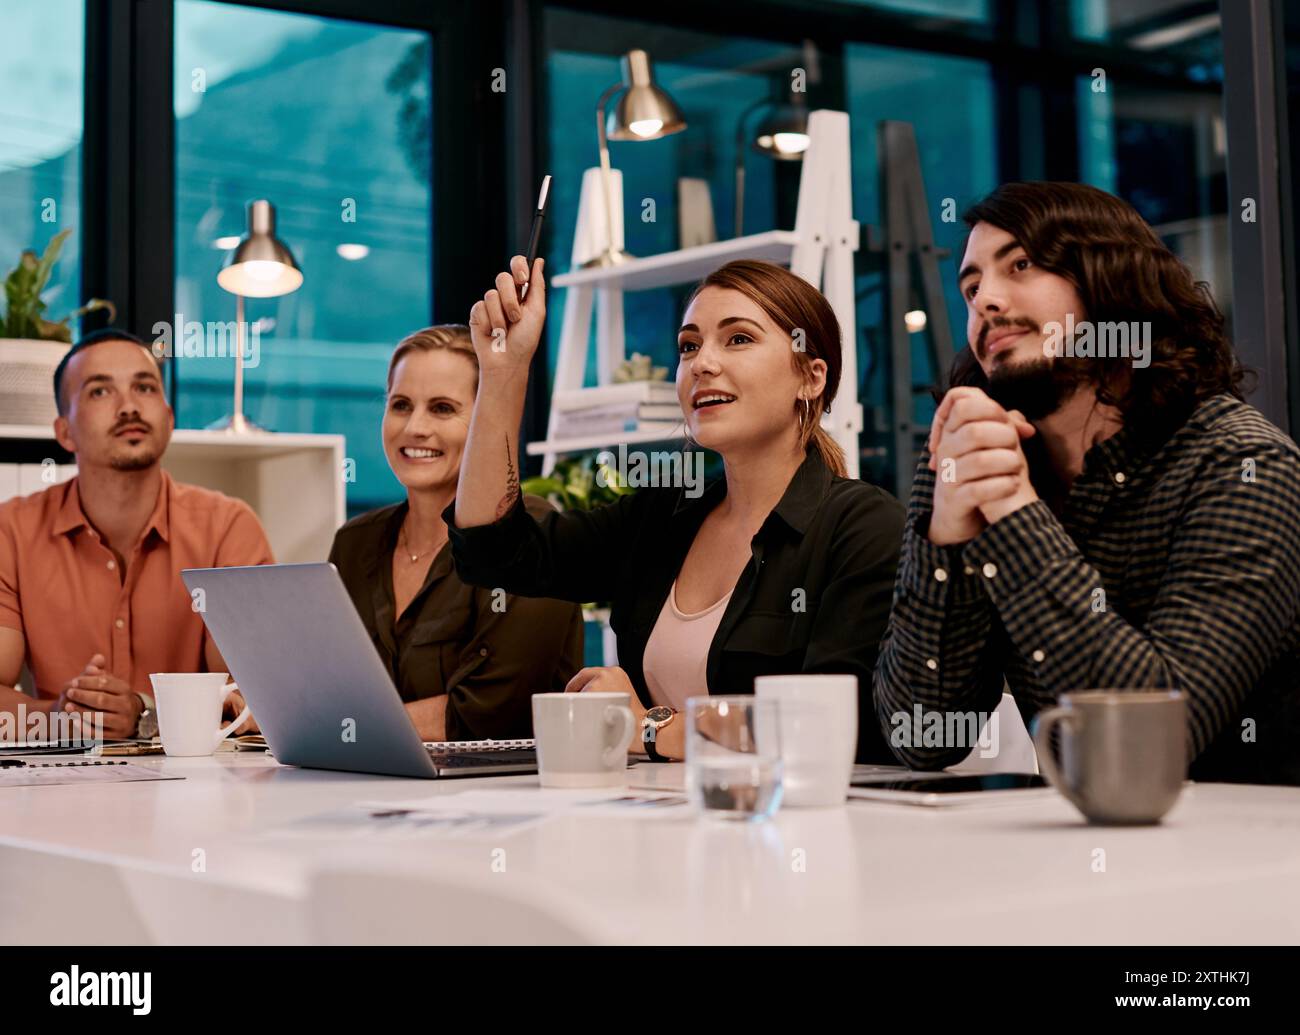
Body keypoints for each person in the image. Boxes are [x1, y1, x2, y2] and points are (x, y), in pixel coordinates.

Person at [874, 181, 1300, 785]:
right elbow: (920, 735)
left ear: (1111, 279)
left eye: (1021, 265)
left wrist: (1016, 516)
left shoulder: (1239, 463)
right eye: (970, 288)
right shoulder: (977, 455)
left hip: (1248, 851)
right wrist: (943, 543)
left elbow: (1148, 745)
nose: (985, 301)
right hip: (1071, 852)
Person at [444, 256, 904, 763]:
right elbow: (492, 551)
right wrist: (503, 371)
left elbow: (831, 725)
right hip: (658, 824)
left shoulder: (863, 528)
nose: (702, 363)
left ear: (811, 378)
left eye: (739, 339)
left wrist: (645, 728)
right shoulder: (661, 518)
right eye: (689, 345)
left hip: (795, 830)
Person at [0, 329, 274, 743]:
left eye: (144, 387)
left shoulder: (228, 527)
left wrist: (145, 715)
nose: (129, 406)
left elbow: (252, 700)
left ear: (169, 416)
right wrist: (61, 718)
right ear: (64, 432)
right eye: (99, 392)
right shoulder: (13, 530)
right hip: (61, 788)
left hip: (202, 791)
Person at [328, 325, 583, 741]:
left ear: (486, 420)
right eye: (401, 405)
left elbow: (492, 710)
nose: (415, 427)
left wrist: (333, 725)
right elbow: (327, 682)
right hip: (374, 782)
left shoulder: (529, 535)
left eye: (442, 408)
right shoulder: (355, 542)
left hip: (507, 796)